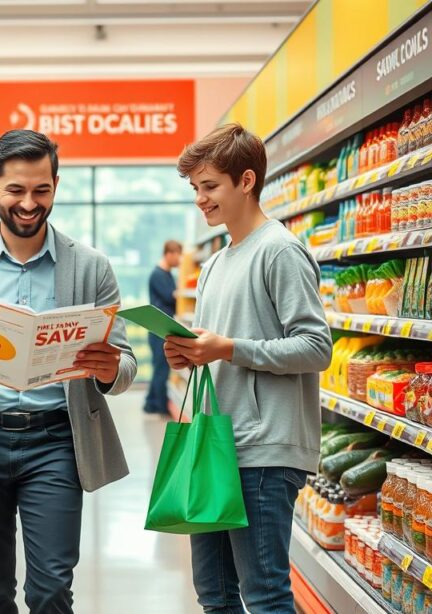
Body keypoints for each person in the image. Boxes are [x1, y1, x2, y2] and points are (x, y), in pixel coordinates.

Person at [0, 130, 136, 614]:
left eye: (41, 190)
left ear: (56, 186)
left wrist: (107, 370)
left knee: (51, 589)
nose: (28, 203)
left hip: (56, 445)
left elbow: (125, 366)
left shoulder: (91, 268)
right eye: (15, 190)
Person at [163, 124, 332, 614]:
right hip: (216, 445)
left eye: (209, 185)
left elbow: (316, 347)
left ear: (246, 181)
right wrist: (190, 352)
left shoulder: (279, 250)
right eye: (195, 188)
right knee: (214, 594)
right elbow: (217, 346)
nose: (200, 199)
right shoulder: (217, 263)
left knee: (265, 594)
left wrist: (230, 348)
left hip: (264, 451)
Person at [143, 240, 182, 415]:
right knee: (161, 367)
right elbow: (170, 296)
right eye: (178, 254)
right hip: (159, 328)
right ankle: (160, 407)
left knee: (159, 366)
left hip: (162, 327)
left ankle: (150, 403)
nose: (180, 259)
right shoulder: (158, 274)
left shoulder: (167, 274)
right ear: (169, 254)